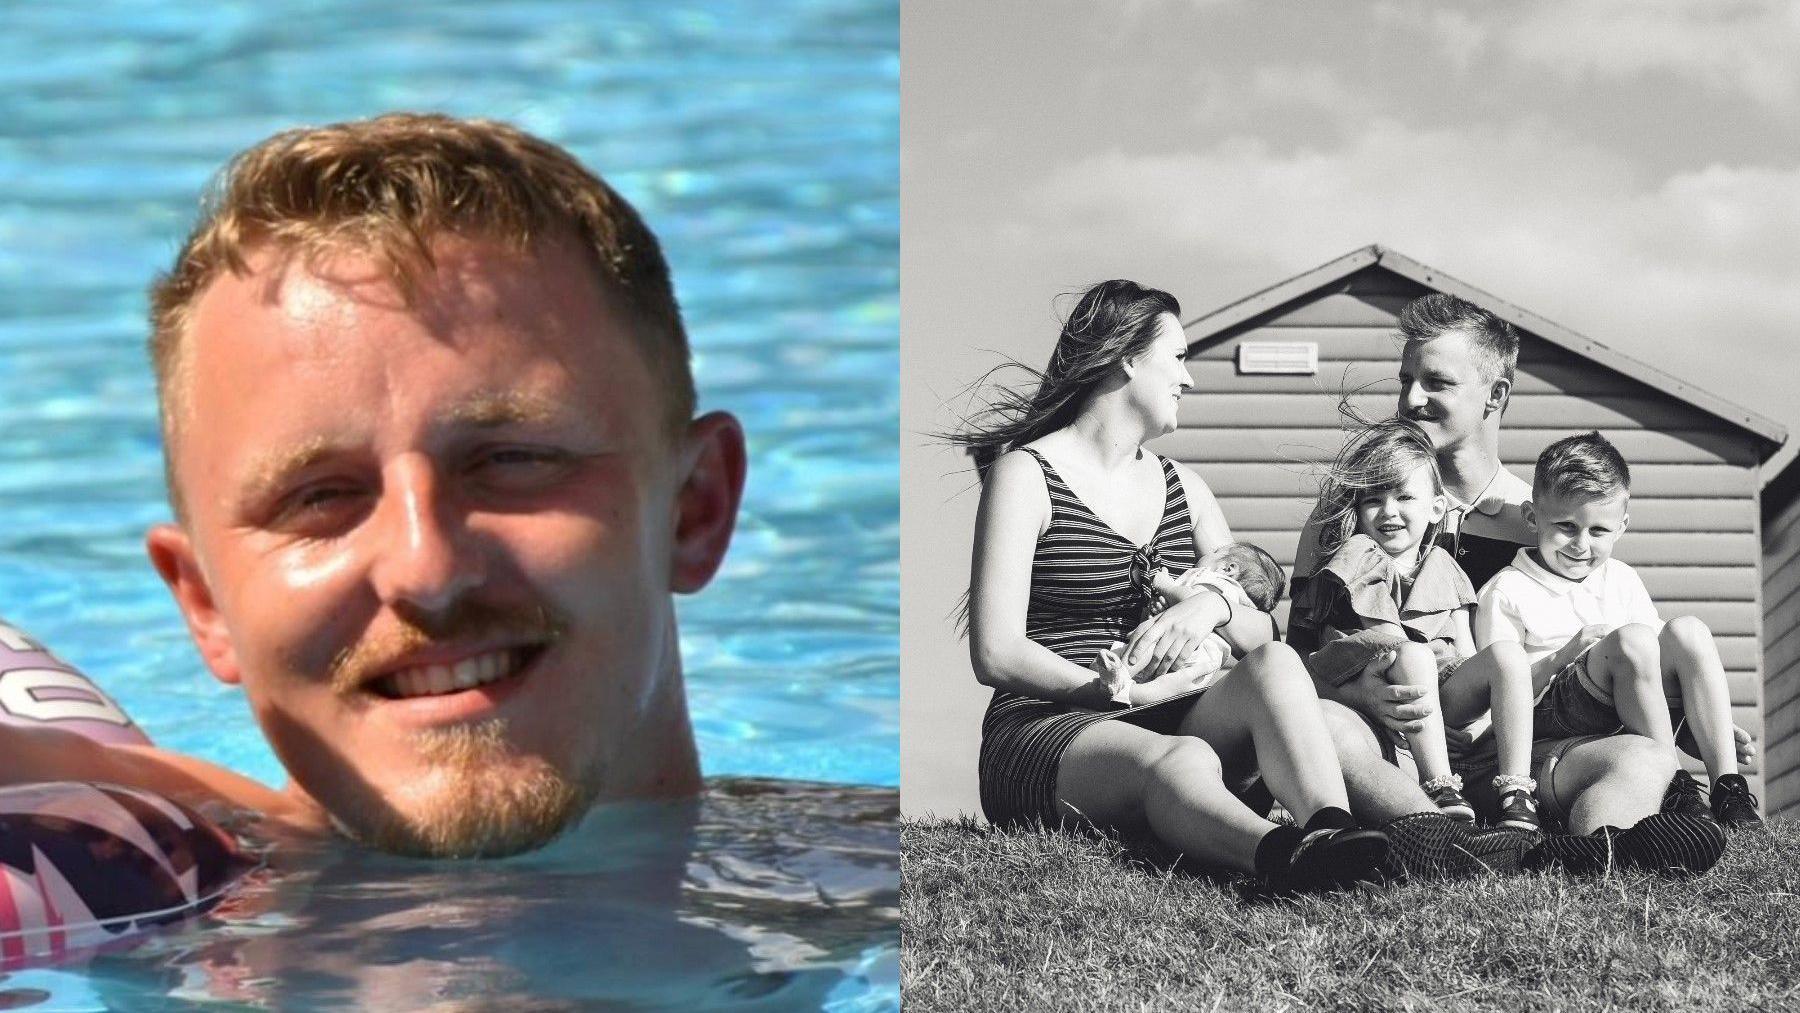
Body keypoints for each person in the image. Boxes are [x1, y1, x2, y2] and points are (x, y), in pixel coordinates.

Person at [0, 113, 748, 859]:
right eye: (319, 498)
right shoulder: (167, 880)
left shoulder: (853, 902)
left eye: (511, 459)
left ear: (695, 509)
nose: (427, 570)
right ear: (204, 604)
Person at [957, 279, 1536, 893]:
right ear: (1128, 356)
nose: (1190, 378)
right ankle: (1286, 856)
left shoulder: (1188, 488)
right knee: (1185, 761)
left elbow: (1265, 633)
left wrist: (1212, 602)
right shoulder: (1027, 474)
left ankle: (1379, 837)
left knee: (1283, 673)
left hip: (1176, 706)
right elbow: (996, 653)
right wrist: (1106, 693)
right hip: (1055, 720)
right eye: (1178, 358)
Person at [1293, 293, 1734, 872]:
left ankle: (1593, 847)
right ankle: (1434, 833)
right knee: (1329, 725)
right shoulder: (1349, 511)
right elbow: (1294, 654)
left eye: (1436, 383)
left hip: (1521, 753)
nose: (1410, 400)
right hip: (1393, 739)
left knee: (1643, 759)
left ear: (1496, 395)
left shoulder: (1550, 520)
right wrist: (1356, 693)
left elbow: (1617, 657)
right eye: (1404, 380)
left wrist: (1700, 726)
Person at [1477, 431, 1763, 827]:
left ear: (1621, 527)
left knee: (1689, 631)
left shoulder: (1622, 578)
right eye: (1566, 526)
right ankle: (1673, 786)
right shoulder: (1507, 590)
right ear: (1532, 517)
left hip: (1618, 699)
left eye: (1598, 531)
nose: (1581, 544)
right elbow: (1498, 689)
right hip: (1549, 709)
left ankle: (1728, 790)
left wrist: (1701, 716)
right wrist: (1563, 656)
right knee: (1632, 639)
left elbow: (1656, 665)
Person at [1288, 417, 1539, 831]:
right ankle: (1440, 784)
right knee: (1413, 654)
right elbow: (1386, 640)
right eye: (1373, 499)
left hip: (1442, 693)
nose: (1389, 511)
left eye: (1404, 496)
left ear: (1436, 507)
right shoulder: (1359, 555)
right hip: (1381, 685)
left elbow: (1465, 647)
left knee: (1507, 656)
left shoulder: (1443, 565)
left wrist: (1479, 717)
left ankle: (1516, 791)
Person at [1090, 541, 1284, 702]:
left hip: (1187, 645)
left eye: (1215, 552)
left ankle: (1120, 675)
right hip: (1198, 656)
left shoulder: (1220, 583)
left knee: (1147, 640)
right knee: (1166, 688)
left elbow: (1193, 603)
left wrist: (1164, 585)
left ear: (1228, 568)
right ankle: (1128, 692)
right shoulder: (1229, 594)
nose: (1207, 553)